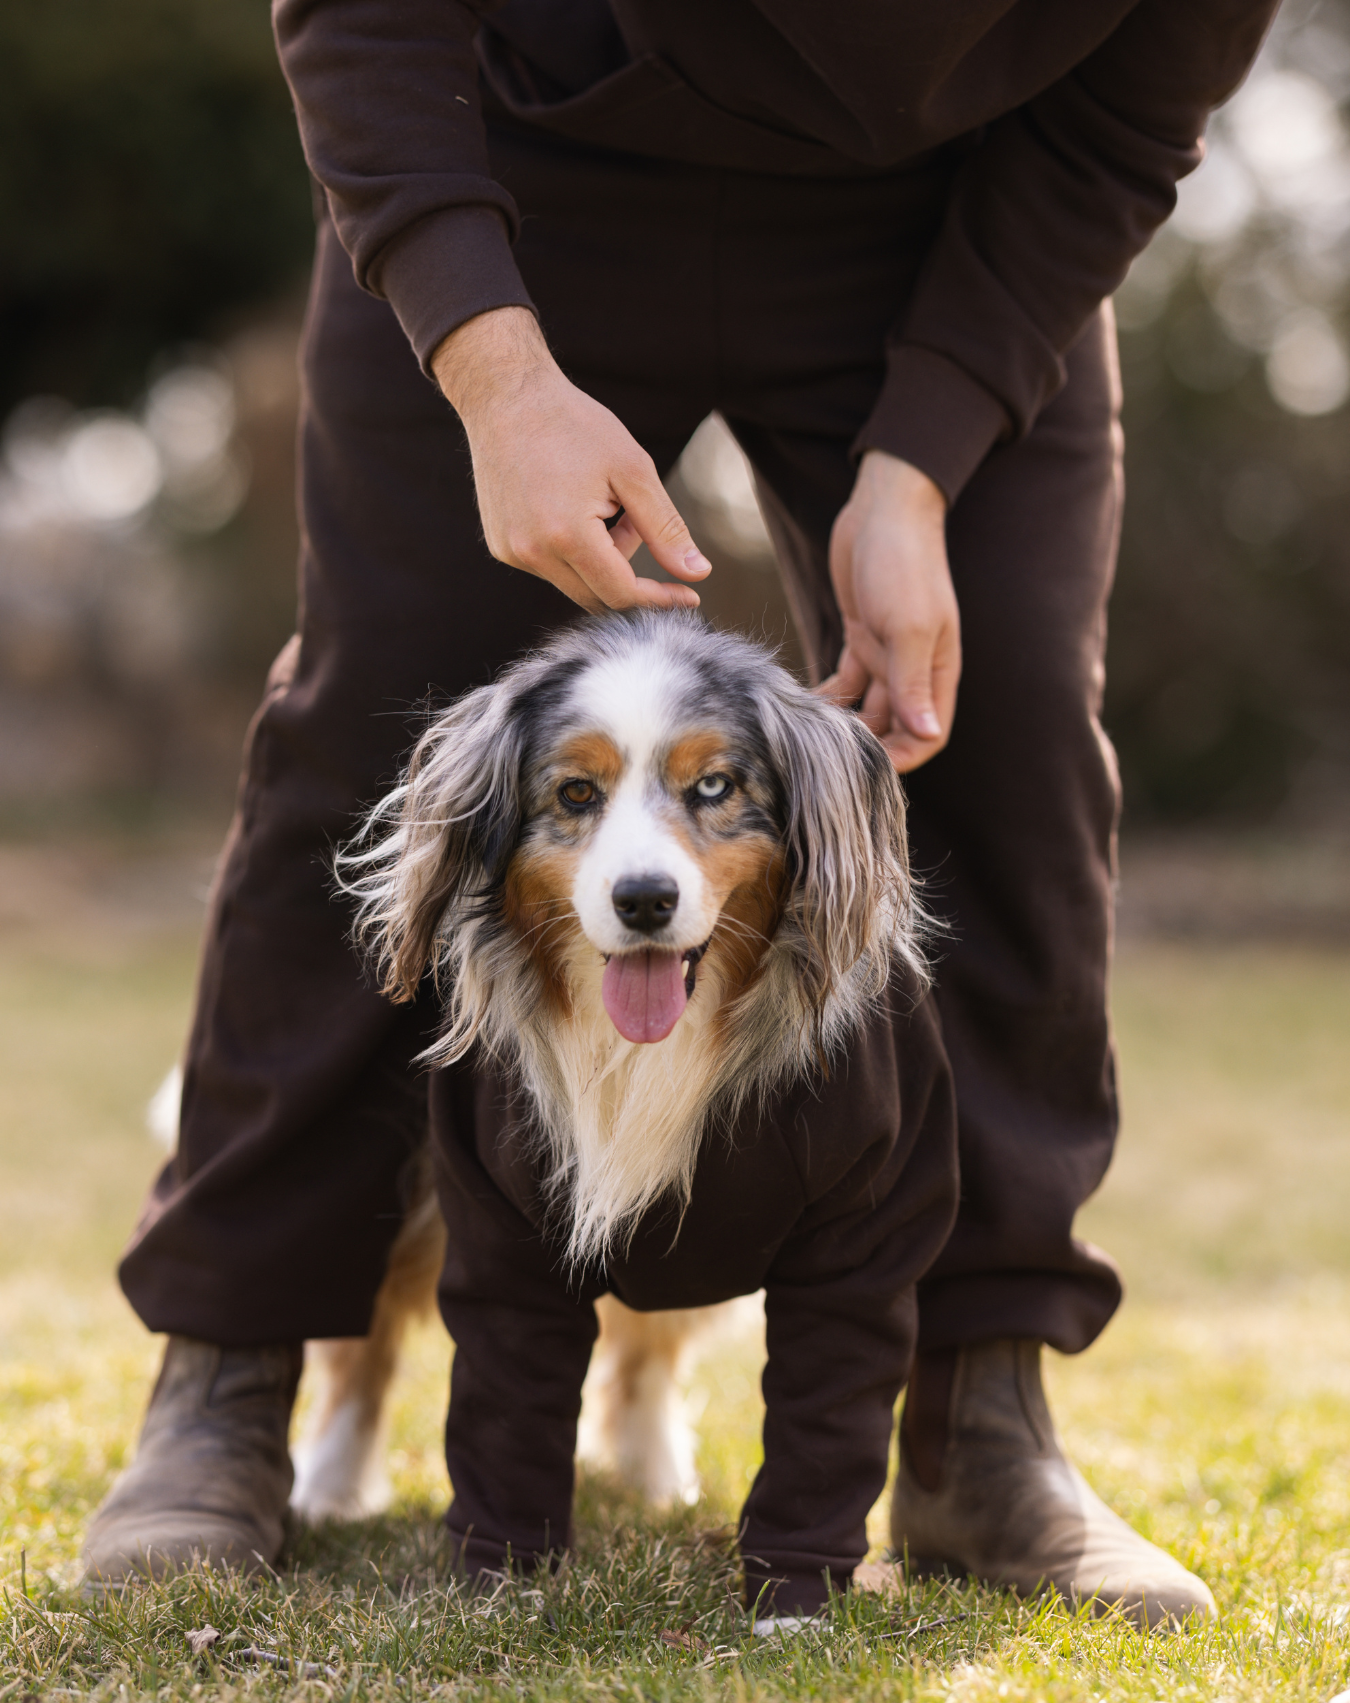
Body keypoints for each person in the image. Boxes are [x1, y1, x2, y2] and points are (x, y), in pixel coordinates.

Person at [83, 0, 1279, 1620]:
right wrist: (493, 374)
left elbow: (1121, 119)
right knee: (371, 723)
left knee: (1005, 748)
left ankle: (977, 1416)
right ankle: (226, 1377)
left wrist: (919, 463)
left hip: (940, 217)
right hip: (522, 154)